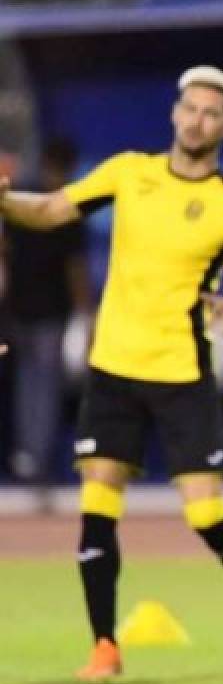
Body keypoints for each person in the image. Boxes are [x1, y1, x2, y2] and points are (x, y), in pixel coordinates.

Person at [0, 65, 223, 680]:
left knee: (205, 515)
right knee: (97, 506)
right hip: (112, 369)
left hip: (181, 373)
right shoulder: (129, 171)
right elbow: (51, 210)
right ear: (174, 112)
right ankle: (104, 646)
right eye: (190, 108)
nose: (197, 120)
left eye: (212, 113)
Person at [3, 137, 92, 502]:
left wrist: (85, 316)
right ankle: (30, 459)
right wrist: (86, 314)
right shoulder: (49, 208)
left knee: (37, 388)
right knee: (35, 388)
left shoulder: (59, 211)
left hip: (45, 314)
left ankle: (33, 459)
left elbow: (75, 271)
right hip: (24, 312)